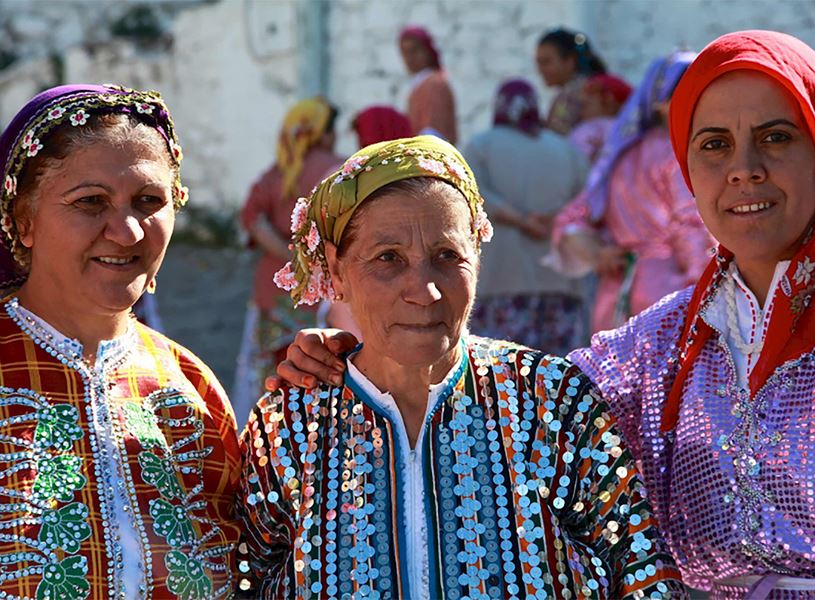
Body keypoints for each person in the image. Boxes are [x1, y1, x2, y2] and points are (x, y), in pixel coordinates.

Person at [279, 31, 815, 598]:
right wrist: (364, 362)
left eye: (776, 137)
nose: (744, 169)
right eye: (713, 145)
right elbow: (518, 397)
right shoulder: (660, 344)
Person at [235, 136, 685, 598]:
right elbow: (246, 579)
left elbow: (643, 569)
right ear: (337, 268)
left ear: (476, 253)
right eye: (388, 258)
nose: (425, 290)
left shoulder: (552, 400)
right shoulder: (289, 425)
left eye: (448, 256)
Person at [0, 84, 239, 598]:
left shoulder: (191, 386)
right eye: (90, 202)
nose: (128, 232)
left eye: (150, 201)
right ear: (23, 221)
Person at [549, 53, 714, 333]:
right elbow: (692, 226)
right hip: (670, 292)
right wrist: (709, 293)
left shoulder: (620, 156)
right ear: (664, 104)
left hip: (616, 296)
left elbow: (571, 219)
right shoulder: (676, 155)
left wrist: (598, 254)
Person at [234, 98, 343, 424]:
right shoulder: (339, 170)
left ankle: (266, 439)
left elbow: (252, 218)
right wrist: (309, 259)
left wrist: (288, 254)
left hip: (274, 286)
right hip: (322, 290)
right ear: (323, 133)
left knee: (270, 373)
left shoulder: (278, 171)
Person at [464, 78, 589, 354]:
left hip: (501, 280)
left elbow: (473, 193)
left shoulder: (481, 146)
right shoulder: (566, 150)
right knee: (557, 375)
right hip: (561, 280)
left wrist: (521, 221)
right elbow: (583, 200)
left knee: (504, 375)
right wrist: (551, 219)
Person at [536, 28, 607, 135]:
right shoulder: (589, 86)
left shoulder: (573, 95)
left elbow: (558, 137)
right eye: (538, 63)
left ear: (570, 60)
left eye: (546, 62)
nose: (540, 70)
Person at [399, 26, 458, 144]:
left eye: (414, 51)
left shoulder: (434, 83)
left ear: (428, 51)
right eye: (405, 53)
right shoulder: (420, 83)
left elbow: (433, 133)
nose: (409, 58)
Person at [569, 74, 633, 163]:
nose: (583, 98)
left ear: (609, 100)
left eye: (591, 93)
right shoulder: (632, 131)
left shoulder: (589, 128)